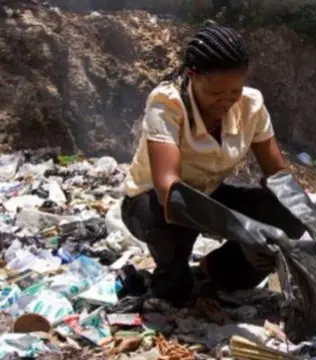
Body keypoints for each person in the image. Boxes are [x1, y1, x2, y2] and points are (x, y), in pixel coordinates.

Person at [120, 22, 297, 307]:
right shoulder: (167, 103)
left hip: (207, 194)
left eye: (235, 91)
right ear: (192, 76)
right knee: (176, 294)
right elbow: (169, 191)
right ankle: (171, 274)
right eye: (216, 93)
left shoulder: (251, 104)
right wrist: (241, 228)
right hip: (150, 204)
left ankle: (215, 270)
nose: (226, 101)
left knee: (285, 213)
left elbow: (279, 176)